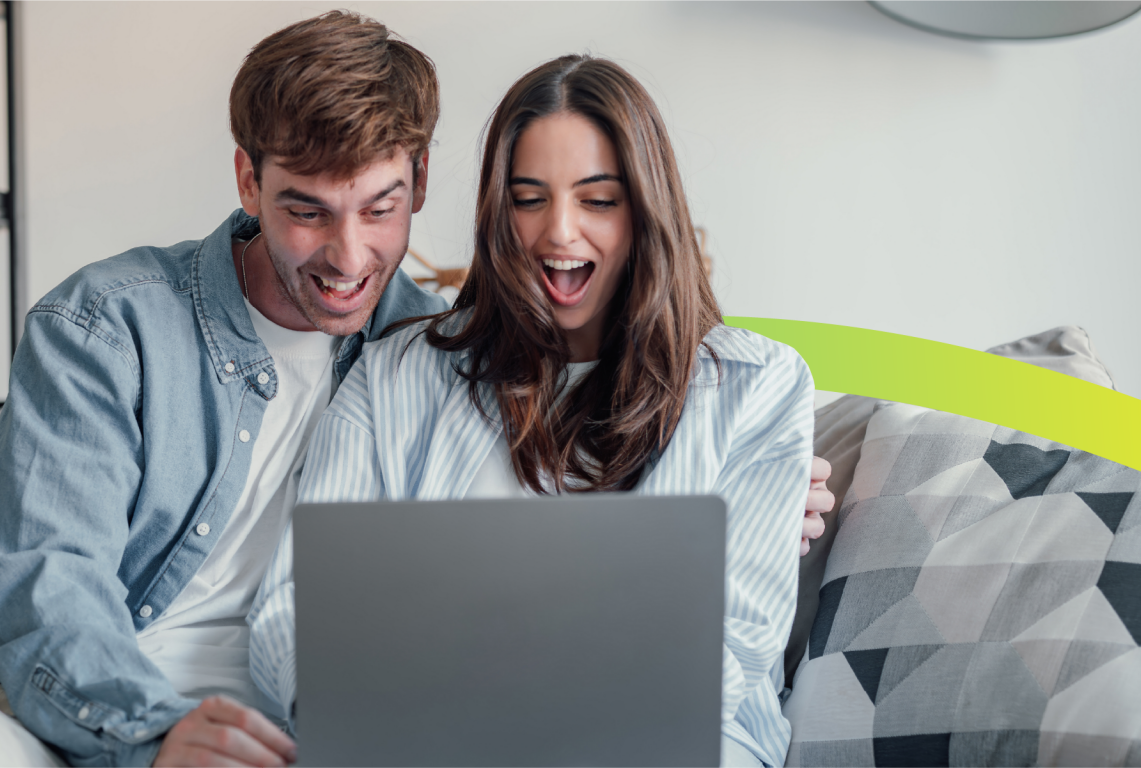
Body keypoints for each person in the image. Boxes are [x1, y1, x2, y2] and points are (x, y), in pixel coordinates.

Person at [0, 15, 833, 768]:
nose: (347, 257)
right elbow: (43, 590)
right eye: (305, 212)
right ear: (246, 181)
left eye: (379, 208)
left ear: (420, 184)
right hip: (95, 715)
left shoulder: (424, 347)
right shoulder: (107, 326)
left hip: (299, 735)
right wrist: (150, 736)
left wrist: (758, 491)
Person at [263, 55, 814, 768]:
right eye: (528, 198)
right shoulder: (399, 375)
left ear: (647, 207)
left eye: (598, 199)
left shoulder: (756, 384)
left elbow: (730, 651)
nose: (559, 233)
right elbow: (297, 600)